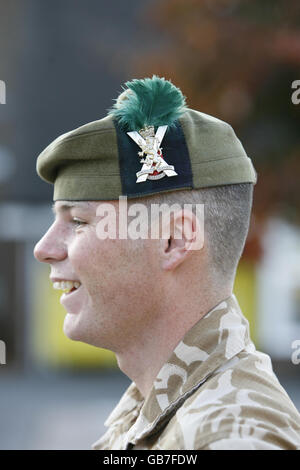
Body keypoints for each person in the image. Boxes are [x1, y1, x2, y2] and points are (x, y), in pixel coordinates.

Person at [34, 76, 300, 450]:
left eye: (78, 221)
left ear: (173, 241)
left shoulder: (233, 435)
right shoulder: (169, 407)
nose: (43, 248)